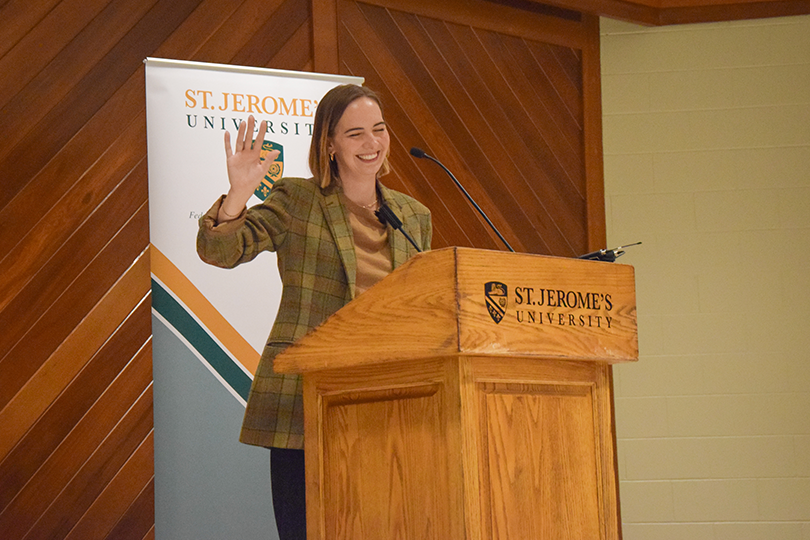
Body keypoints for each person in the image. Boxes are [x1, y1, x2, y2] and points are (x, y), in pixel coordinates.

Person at [196, 84, 432, 539]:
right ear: (329, 144)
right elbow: (220, 251)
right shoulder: (299, 199)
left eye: (379, 129)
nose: (372, 143)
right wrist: (237, 196)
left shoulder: (413, 215)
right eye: (355, 133)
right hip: (308, 399)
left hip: (389, 403)